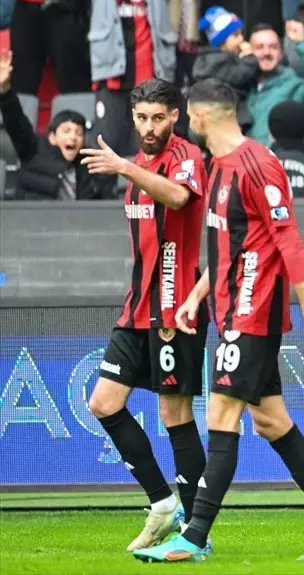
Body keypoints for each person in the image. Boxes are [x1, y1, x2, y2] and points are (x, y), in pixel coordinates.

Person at [133, 78, 304, 563]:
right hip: (228, 307)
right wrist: (196, 296)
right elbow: (229, 248)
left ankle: (194, 537)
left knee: (221, 416)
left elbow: (289, 243)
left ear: (197, 117)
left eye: (188, 117)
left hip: (252, 312)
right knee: (272, 421)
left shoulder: (259, 165)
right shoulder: (218, 166)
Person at [74, 79, 207, 552]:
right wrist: (129, 167)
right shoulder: (137, 163)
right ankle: (162, 503)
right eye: (142, 118)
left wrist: (125, 167)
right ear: (132, 117)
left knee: (175, 414)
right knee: (103, 404)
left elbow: (178, 198)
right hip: (137, 305)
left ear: (176, 116)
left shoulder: (186, 156)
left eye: (158, 117)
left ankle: (196, 531)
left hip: (177, 304)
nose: (149, 127)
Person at [72, 0, 195, 157]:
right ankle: (103, 196)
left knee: (153, 145)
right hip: (112, 77)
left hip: (152, 78)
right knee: (107, 141)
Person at [0, 48, 113, 200]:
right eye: (66, 131)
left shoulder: (90, 168)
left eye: (79, 133)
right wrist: (5, 90)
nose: (73, 137)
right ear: (52, 137)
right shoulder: (33, 151)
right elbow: (16, 122)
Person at [244, 20, 304, 146]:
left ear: (280, 54)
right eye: (259, 47)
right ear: (247, 52)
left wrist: (302, 42)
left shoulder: (291, 85)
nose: (266, 53)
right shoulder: (239, 85)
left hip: (276, 161)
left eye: (273, 47)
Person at [193, 5, 258, 130]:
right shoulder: (218, 61)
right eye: (235, 35)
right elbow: (238, 76)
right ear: (221, 41)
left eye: (241, 34)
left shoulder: (212, 58)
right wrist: (249, 58)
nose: (241, 39)